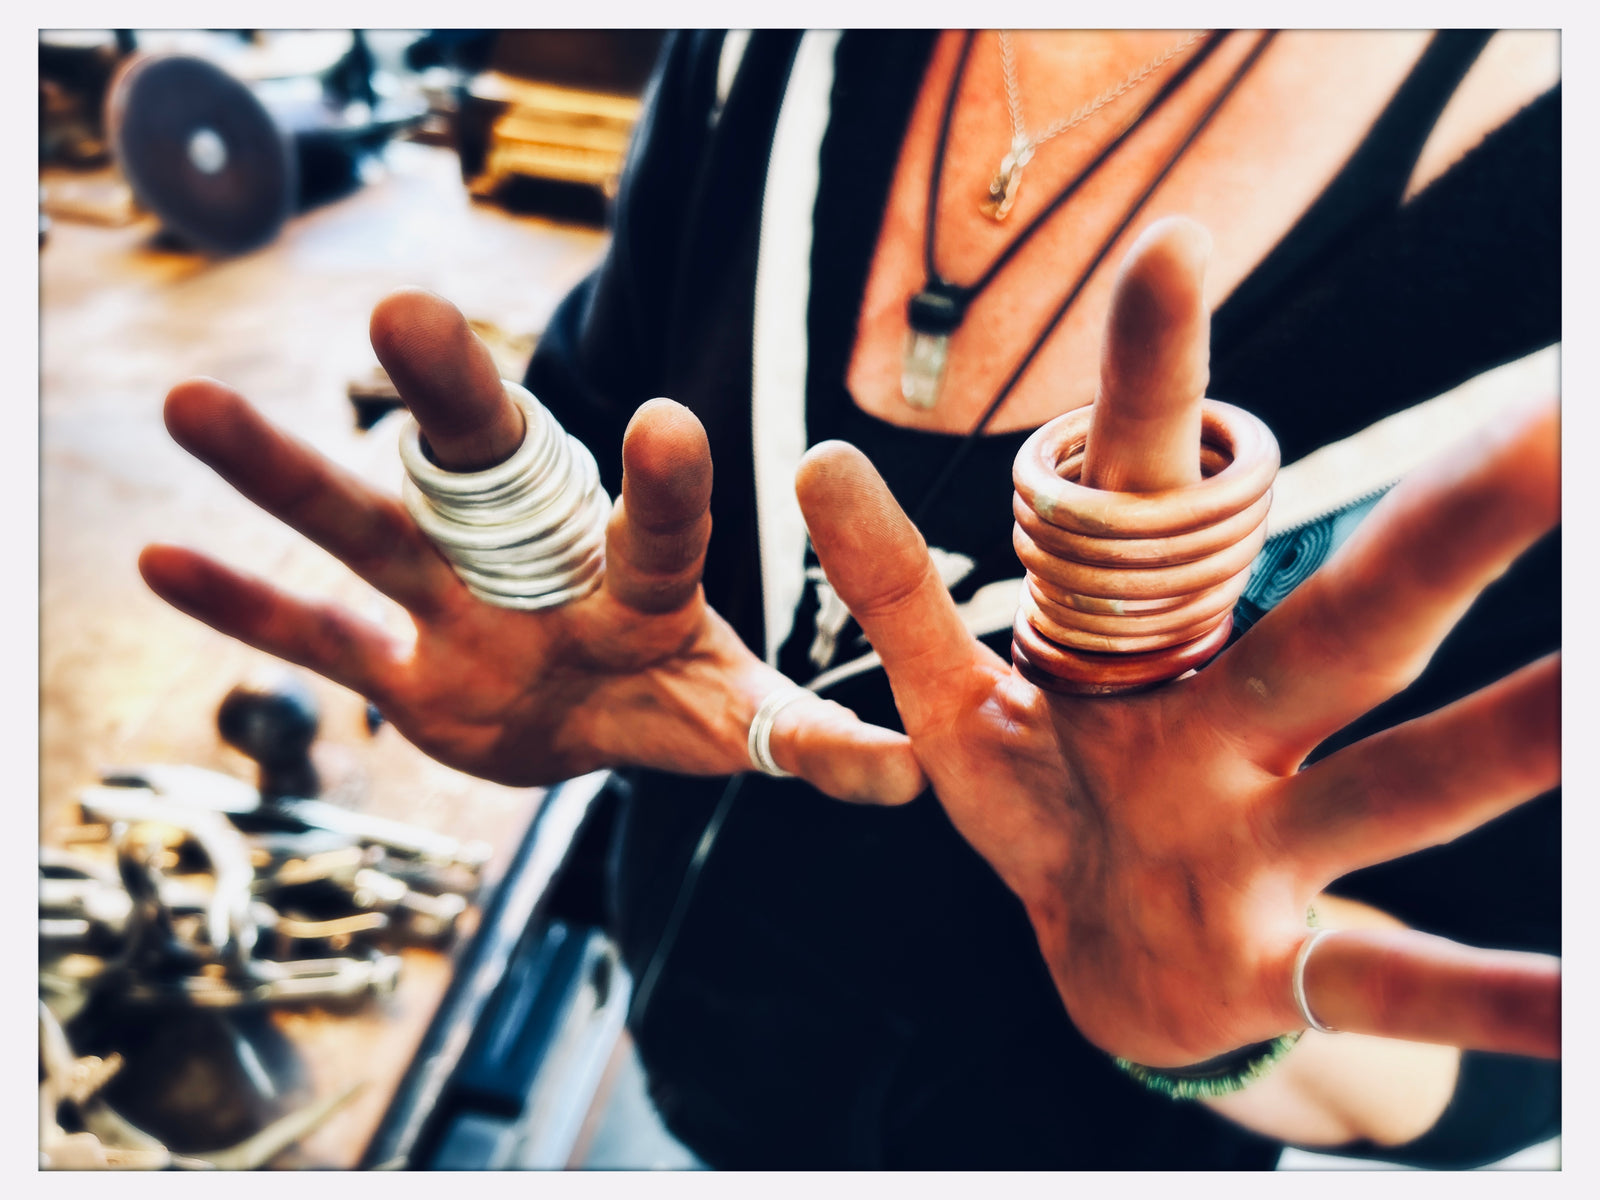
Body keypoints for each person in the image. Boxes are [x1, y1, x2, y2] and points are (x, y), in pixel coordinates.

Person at [140, 30, 1561, 1168]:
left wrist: (1232, 1008)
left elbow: (1524, 1048)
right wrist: (528, 571)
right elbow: (607, 395)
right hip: (672, 1058)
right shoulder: (771, 45)